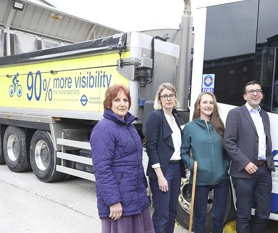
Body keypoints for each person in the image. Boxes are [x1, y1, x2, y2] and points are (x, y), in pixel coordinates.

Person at [90, 85, 153, 233]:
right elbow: (102, 169)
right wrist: (113, 201)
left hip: (135, 197)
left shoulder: (128, 126)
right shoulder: (103, 128)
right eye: (117, 100)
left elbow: (135, 163)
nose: (122, 104)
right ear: (109, 103)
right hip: (120, 200)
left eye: (125, 100)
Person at [224, 80, 275, 233]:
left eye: (258, 91)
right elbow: (229, 142)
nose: (255, 93)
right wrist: (245, 163)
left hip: (264, 171)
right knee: (243, 215)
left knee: (264, 214)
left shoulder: (264, 115)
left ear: (262, 95)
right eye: (251, 91)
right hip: (243, 172)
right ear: (245, 96)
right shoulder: (235, 113)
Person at [180, 92, 231, 233]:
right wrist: (192, 165)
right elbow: (183, 152)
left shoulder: (220, 126)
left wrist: (224, 166)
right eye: (205, 102)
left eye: (211, 103)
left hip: (221, 179)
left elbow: (227, 151)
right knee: (200, 217)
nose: (208, 105)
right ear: (198, 105)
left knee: (218, 217)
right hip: (199, 179)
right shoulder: (190, 127)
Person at [145, 83, 185, 233]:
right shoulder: (155, 117)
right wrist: (160, 176)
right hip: (162, 170)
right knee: (162, 214)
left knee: (172, 212)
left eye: (171, 95)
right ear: (159, 99)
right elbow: (151, 147)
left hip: (175, 168)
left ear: (175, 98)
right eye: (164, 96)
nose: (168, 99)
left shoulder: (176, 118)